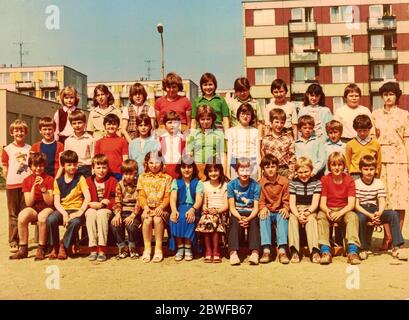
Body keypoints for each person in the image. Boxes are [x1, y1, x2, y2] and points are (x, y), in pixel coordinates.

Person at [372, 81, 409, 251]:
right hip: (381, 162)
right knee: (383, 200)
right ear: (381, 97)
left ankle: (397, 238)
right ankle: (387, 237)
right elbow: (372, 140)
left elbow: (407, 139)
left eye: (391, 94)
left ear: (397, 96)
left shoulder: (404, 115)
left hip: (400, 160)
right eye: (385, 94)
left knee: (400, 200)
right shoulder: (375, 114)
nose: (388, 97)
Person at [355, 155, 407, 261]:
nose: (369, 172)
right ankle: (363, 248)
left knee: (392, 215)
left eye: (371, 169)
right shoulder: (357, 183)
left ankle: (396, 247)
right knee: (360, 218)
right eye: (366, 169)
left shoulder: (378, 182)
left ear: (375, 170)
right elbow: (356, 204)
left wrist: (379, 212)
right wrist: (369, 215)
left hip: (375, 209)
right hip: (362, 209)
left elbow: (382, 200)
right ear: (360, 170)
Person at [317, 152, 361, 265]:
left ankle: (352, 251)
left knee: (353, 217)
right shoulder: (325, 179)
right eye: (333, 165)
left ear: (344, 166)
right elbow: (322, 203)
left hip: (344, 209)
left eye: (340, 165)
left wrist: (340, 212)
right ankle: (326, 252)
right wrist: (328, 211)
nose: (337, 168)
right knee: (321, 216)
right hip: (329, 209)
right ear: (329, 166)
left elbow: (351, 204)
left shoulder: (349, 180)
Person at [46, 150, 91, 260]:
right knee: (51, 219)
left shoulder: (80, 179)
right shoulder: (58, 181)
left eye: (75, 164)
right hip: (63, 210)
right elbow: (56, 202)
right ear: (63, 165)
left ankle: (64, 246)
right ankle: (54, 246)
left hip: (76, 210)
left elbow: (87, 197)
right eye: (69, 165)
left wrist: (79, 212)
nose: (72, 167)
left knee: (75, 222)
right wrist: (64, 214)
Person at [9, 153, 54, 260]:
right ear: (30, 166)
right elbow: (29, 203)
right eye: (35, 166)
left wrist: (43, 187)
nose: (38, 168)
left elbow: (49, 202)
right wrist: (34, 187)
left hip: (47, 206)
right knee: (22, 216)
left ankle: (41, 248)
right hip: (34, 206)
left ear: (44, 166)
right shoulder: (27, 180)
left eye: (41, 165)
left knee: (42, 217)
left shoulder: (49, 179)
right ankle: (23, 249)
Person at [137, 151, 173, 263]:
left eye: (157, 162)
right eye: (151, 162)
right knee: (147, 220)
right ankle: (147, 249)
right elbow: (141, 195)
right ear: (146, 163)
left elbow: (168, 196)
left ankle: (158, 248)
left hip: (162, 209)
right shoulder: (142, 177)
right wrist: (145, 207)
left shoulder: (167, 178)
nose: (154, 165)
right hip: (147, 209)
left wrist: (161, 207)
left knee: (157, 219)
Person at [1, 119, 31, 253]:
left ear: (25, 132)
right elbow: (5, 167)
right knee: (13, 214)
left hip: (26, 185)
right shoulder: (7, 149)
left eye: (21, 130)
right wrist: (8, 180)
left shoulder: (29, 148)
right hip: (12, 184)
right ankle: (14, 241)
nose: (19, 133)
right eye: (16, 131)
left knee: (24, 214)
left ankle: (24, 240)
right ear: (12, 132)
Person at [227, 158, 261, 266]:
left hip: (251, 212)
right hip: (237, 212)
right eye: (242, 170)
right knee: (234, 222)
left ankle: (255, 252)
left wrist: (249, 218)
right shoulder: (231, 185)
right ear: (237, 171)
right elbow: (232, 207)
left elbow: (256, 208)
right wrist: (240, 218)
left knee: (255, 222)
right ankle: (233, 253)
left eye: (247, 170)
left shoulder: (256, 185)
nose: (245, 173)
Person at [170, 156, 204, 261]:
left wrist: (193, 209)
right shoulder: (176, 182)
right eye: (183, 167)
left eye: (189, 167)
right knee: (177, 218)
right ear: (179, 169)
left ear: (193, 168)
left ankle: (188, 247)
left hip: (194, 207)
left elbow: (199, 199)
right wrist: (174, 210)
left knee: (189, 218)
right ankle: (180, 247)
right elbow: (173, 197)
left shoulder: (198, 182)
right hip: (180, 206)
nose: (186, 170)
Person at [258, 154, 290, 264]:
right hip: (268, 210)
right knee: (263, 217)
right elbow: (261, 200)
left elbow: (286, 199)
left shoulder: (284, 182)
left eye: (273, 166)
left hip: (279, 210)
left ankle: (282, 250)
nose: (270, 169)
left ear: (277, 167)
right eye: (267, 167)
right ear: (263, 169)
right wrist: (262, 208)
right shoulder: (261, 183)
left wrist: (286, 208)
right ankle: (266, 250)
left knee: (282, 216)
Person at [85, 154, 117, 262]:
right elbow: (82, 197)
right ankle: (93, 248)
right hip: (92, 207)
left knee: (101, 213)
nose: (101, 170)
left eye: (104, 167)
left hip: (106, 209)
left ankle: (102, 248)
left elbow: (115, 198)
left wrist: (104, 204)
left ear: (108, 168)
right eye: (98, 167)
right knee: (90, 213)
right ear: (93, 168)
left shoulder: (112, 181)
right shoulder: (88, 181)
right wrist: (90, 204)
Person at [288, 157, 321, 264]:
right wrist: (298, 215)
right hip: (296, 209)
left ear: (311, 170)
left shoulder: (317, 183)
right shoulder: (293, 183)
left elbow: (315, 203)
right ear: (296, 172)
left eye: (306, 171)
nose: (303, 175)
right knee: (292, 220)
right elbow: (292, 204)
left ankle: (314, 250)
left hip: (310, 209)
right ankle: (294, 250)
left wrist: (307, 213)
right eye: (300, 172)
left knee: (311, 220)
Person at [196, 161, 229, 263]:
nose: (213, 173)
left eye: (216, 170)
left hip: (221, 212)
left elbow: (226, 205)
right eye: (210, 171)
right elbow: (204, 203)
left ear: (220, 171)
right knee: (207, 220)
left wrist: (217, 211)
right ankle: (208, 250)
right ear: (207, 172)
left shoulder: (224, 185)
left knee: (211, 220)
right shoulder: (204, 185)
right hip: (208, 213)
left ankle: (216, 251)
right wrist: (205, 208)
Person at [111, 159, 142, 260]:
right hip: (123, 210)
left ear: (135, 173)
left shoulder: (139, 184)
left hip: (134, 211)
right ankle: (122, 247)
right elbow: (118, 201)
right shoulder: (119, 184)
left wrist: (133, 215)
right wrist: (117, 214)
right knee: (115, 224)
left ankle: (132, 247)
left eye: (131, 174)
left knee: (131, 225)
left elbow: (139, 201)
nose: (128, 176)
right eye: (125, 174)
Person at [187, 105, 226, 180]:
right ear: (198, 120)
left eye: (208, 119)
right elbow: (189, 154)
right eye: (202, 119)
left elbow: (222, 155)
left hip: (213, 168)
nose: (205, 122)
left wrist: (223, 171)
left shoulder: (219, 134)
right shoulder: (193, 134)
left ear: (212, 119)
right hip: (198, 167)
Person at [225, 103, 260, 180]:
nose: (245, 116)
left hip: (252, 162)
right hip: (235, 162)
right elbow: (229, 152)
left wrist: (260, 171)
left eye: (248, 114)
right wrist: (227, 171)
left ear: (251, 117)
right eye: (243, 114)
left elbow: (258, 153)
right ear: (238, 115)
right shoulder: (230, 131)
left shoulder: (256, 131)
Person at [261, 108, 295, 179]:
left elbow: (292, 156)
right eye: (276, 122)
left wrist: (291, 172)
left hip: (284, 170)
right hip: (269, 170)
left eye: (282, 122)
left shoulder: (288, 138)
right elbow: (263, 155)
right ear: (271, 122)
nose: (279, 125)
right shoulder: (265, 138)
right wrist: (263, 170)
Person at [345, 115, 381, 180]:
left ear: (369, 129)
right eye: (359, 131)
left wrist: (376, 174)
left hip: (370, 173)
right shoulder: (350, 144)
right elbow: (348, 162)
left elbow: (378, 161)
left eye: (365, 130)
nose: (362, 133)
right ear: (356, 130)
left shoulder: (375, 143)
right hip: (355, 174)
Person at [95, 114, 129, 181]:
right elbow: (96, 160)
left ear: (118, 126)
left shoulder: (122, 141)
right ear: (105, 126)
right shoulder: (99, 142)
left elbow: (125, 159)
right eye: (109, 124)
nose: (111, 126)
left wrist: (124, 173)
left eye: (114, 124)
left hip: (118, 173)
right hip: (103, 173)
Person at [63, 110, 95, 178]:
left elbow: (93, 157)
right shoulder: (68, 140)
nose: (77, 126)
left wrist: (93, 172)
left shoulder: (91, 139)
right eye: (74, 123)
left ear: (85, 123)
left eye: (79, 123)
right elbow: (66, 158)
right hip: (72, 169)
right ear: (71, 124)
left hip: (86, 169)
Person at [295, 115, 325, 179]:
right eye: (305, 128)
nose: (308, 130)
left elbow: (322, 159)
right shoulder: (296, 144)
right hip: (300, 175)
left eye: (310, 128)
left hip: (315, 175)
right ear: (300, 129)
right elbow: (295, 160)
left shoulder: (318, 142)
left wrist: (314, 171)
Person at [159, 111, 186, 179]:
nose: (172, 125)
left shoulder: (183, 138)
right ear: (165, 124)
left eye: (175, 122)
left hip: (179, 169)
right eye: (169, 122)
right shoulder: (160, 138)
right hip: (165, 169)